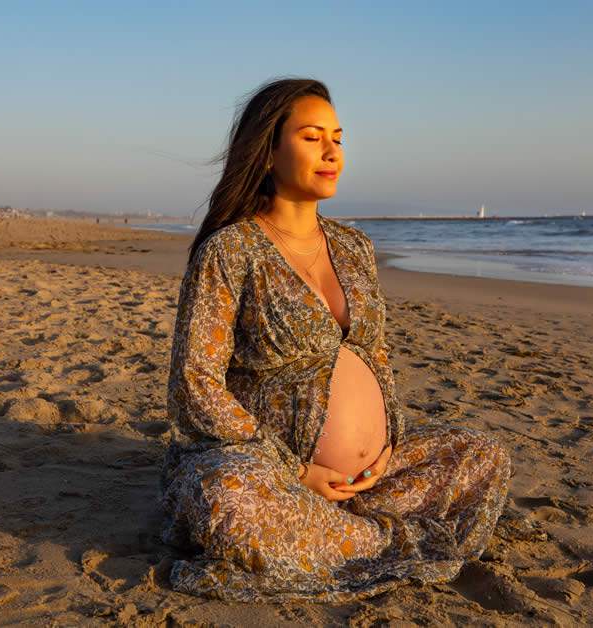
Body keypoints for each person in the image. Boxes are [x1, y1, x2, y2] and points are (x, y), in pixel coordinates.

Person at [159, 77, 512, 602]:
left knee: (481, 454)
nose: (332, 152)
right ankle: (377, 539)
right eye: (311, 137)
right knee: (226, 499)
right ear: (268, 152)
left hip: (370, 479)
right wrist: (296, 469)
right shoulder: (230, 250)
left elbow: (376, 355)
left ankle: (336, 529)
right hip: (268, 468)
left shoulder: (354, 247)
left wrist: (387, 447)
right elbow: (194, 383)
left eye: (338, 138)